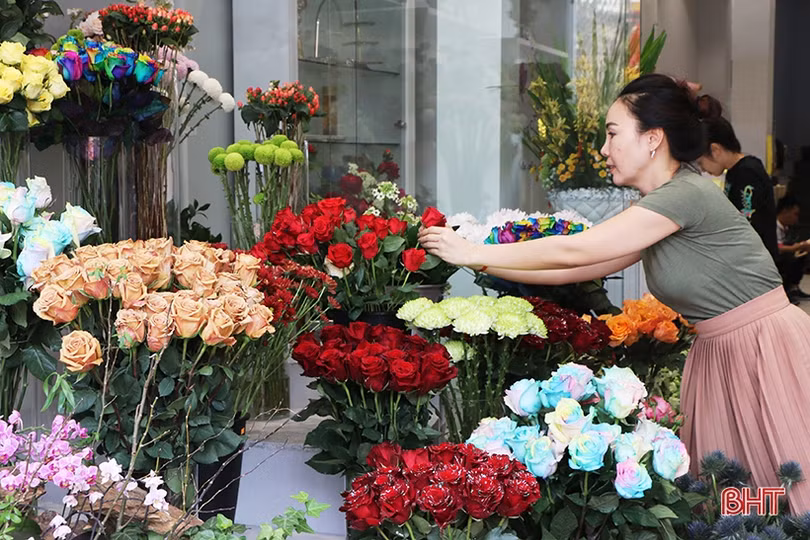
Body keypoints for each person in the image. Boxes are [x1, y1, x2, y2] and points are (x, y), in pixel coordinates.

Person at [419, 73, 810, 513]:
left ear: (652, 139)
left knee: (783, 489)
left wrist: (471, 252)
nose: (604, 149)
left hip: (759, 348)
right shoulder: (663, 200)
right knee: (742, 500)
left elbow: (578, 248)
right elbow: (584, 265)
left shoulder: (683, 194)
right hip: (724, 351)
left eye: (612, 134)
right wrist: (481, 259)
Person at [695, 97, 779, 259]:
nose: (702, 168)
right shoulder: (735, 172)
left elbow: (746, 224)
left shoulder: (747, 173)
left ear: (715, 150)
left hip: (757, 262)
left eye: (701, 162)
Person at [774, 195, 810, 302]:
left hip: (782, 256)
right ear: (785, 211)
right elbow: (776, 247)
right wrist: (795, 248)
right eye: (795, 214)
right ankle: (785, 290)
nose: (796, 218)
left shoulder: (786, 227)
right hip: (775, 258)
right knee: (788, 259)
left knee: (801, 256)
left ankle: (793, 287)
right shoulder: (773, 226)